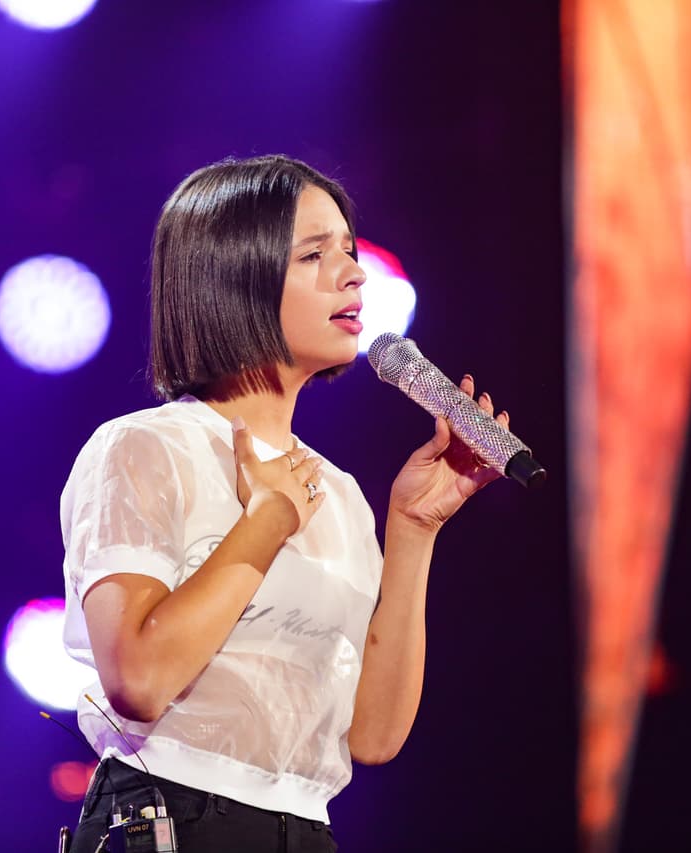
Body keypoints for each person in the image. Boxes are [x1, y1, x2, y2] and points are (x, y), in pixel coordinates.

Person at [60, 154, 511, 852]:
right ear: (235, 275)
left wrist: (414, 529)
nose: (354, 272)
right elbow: (140, 680)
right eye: (314, 254)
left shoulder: (339, 494)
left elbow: (374, 733)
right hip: (172, 819)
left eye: (351, 251)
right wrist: (265, 522)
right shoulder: (147, 450)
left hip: (303, 829)